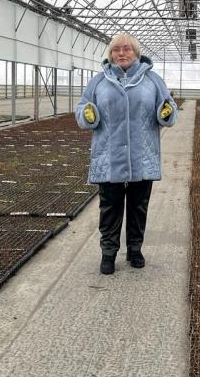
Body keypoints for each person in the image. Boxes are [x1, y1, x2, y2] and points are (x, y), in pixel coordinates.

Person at [75, 33, 177, 275]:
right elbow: (82, 107)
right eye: (116, 50)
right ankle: (108, 253)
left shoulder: (152, 80)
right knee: (109, 207)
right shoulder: (99, 81)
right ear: (110, 54)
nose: (121, 53)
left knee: (138, 206)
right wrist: (88, 114)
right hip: (109, 156)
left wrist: (166, 112)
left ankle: (135, 249)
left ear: (136, 53)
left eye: (127, 49)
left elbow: (168, 107)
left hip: (142, 156)